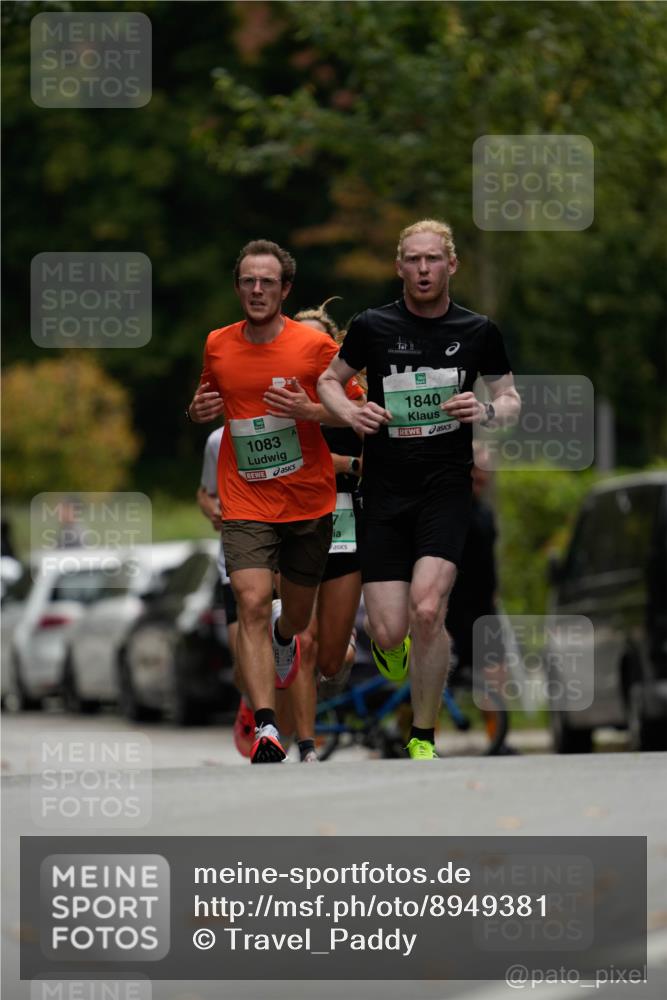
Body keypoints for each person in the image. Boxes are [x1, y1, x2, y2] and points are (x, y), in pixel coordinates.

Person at [317, 218, 521, 759]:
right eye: (413, 259)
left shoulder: (478, 330)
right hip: (383, 492)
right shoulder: (372, 326)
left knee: (430, 608)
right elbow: (327, 381)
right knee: (388, 632)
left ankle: (423, 736)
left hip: (445, 488)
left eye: (433, 259)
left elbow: (510, 398)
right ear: (399, 266)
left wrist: (483, 409)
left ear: (451, 265)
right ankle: (395, 649)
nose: (424, 269)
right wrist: (351, 412)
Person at [187, 239, 342, 763]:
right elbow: (209, 397)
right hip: (245, 497)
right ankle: (267, 727)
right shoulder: (218, 344)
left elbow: (353, 411)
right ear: (238, 287)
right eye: (248, 281)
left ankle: (283, 637)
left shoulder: (316, 348)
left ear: (285, 289)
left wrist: (312, 410)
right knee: (251, 602)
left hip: (307, 500)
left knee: (294, 620)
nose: (257, 290)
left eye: (267, 282)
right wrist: (197, 410)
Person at [197, 425, 321, 763]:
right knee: (244, 664)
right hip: (236, 562)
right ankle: (253, 702)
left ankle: (291, 737)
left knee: (290, 640)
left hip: (280, 550)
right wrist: (214, 511)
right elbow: (205, 492)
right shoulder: (217, 440)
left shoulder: (290, 426)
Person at [294, 301, 366, 698]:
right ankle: (300, 738)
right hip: (293, 523)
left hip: (346, 521)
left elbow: (379, 461)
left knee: (333, 660)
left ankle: (343, 644)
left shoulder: (353, 398)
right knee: (304, 640)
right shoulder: (280, 396)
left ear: (332, 347)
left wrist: (343, 464)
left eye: (315, 340)